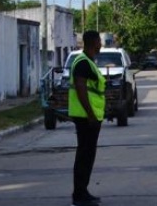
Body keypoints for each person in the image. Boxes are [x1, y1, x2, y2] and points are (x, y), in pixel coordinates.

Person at [69, 30, 105, 206]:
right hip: (85, 117)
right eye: (99, 41)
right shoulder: (83, 62)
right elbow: (80, 88)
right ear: (94, 42)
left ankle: (83, 191)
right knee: (84, 156)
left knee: (87, 156)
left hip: (90, 116)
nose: (101, 44)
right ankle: (79, 195)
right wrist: (90, 114)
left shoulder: (88, 61)